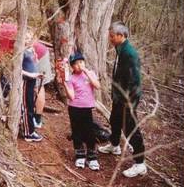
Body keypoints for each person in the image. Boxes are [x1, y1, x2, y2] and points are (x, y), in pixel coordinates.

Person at [98, 21, 147, 178]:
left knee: (130, 127)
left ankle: (140, 164)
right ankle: (114, 145)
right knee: (115, 120)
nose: (110, 39)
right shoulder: (120, 49)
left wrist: (128, 102)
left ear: (121, 35)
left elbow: (134, 81)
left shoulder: (129, 53)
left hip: (128, 99)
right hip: (119, 96)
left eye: (112, 36)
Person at [60, 52, 101, 170]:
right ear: (72, 66)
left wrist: (86, 72)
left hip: (87, 108)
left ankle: (92, 157)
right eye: (76, 64)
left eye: (81, 62)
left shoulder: (90, 74)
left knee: (89, 132)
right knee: (76, 131)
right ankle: (80, 155)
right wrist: (65, 84)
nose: (79, 65)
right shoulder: (71, 78)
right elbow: (71, 96)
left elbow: (97, 86)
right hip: (74, 108)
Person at [21, 32, 44, 142]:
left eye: (30, 38)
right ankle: (28, 133)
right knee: (27, 107)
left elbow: (34, 64)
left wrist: (37, 74)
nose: (28, 40)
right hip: (26, 81)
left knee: (31, 106)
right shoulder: (22, 52)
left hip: (32, 81)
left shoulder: (32, 50)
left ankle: (30, 129)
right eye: (26, 38)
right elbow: (18, 70)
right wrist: (31, 75)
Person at [32, 40, 53, 128]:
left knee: (38, 86)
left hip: (39, 55)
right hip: (33, 54)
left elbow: (1, 54)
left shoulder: (4, 35)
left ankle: (37, 118)